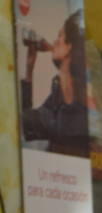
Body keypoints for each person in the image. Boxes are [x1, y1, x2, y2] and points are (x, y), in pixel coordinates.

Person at [20, 11, 87, 156]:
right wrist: (29, 69)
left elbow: (58, 129)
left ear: (70, 47)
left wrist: (52, 49)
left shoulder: (80, 105)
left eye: (60, 36)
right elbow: (27, 122)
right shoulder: (58, 91)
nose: (55, 41)